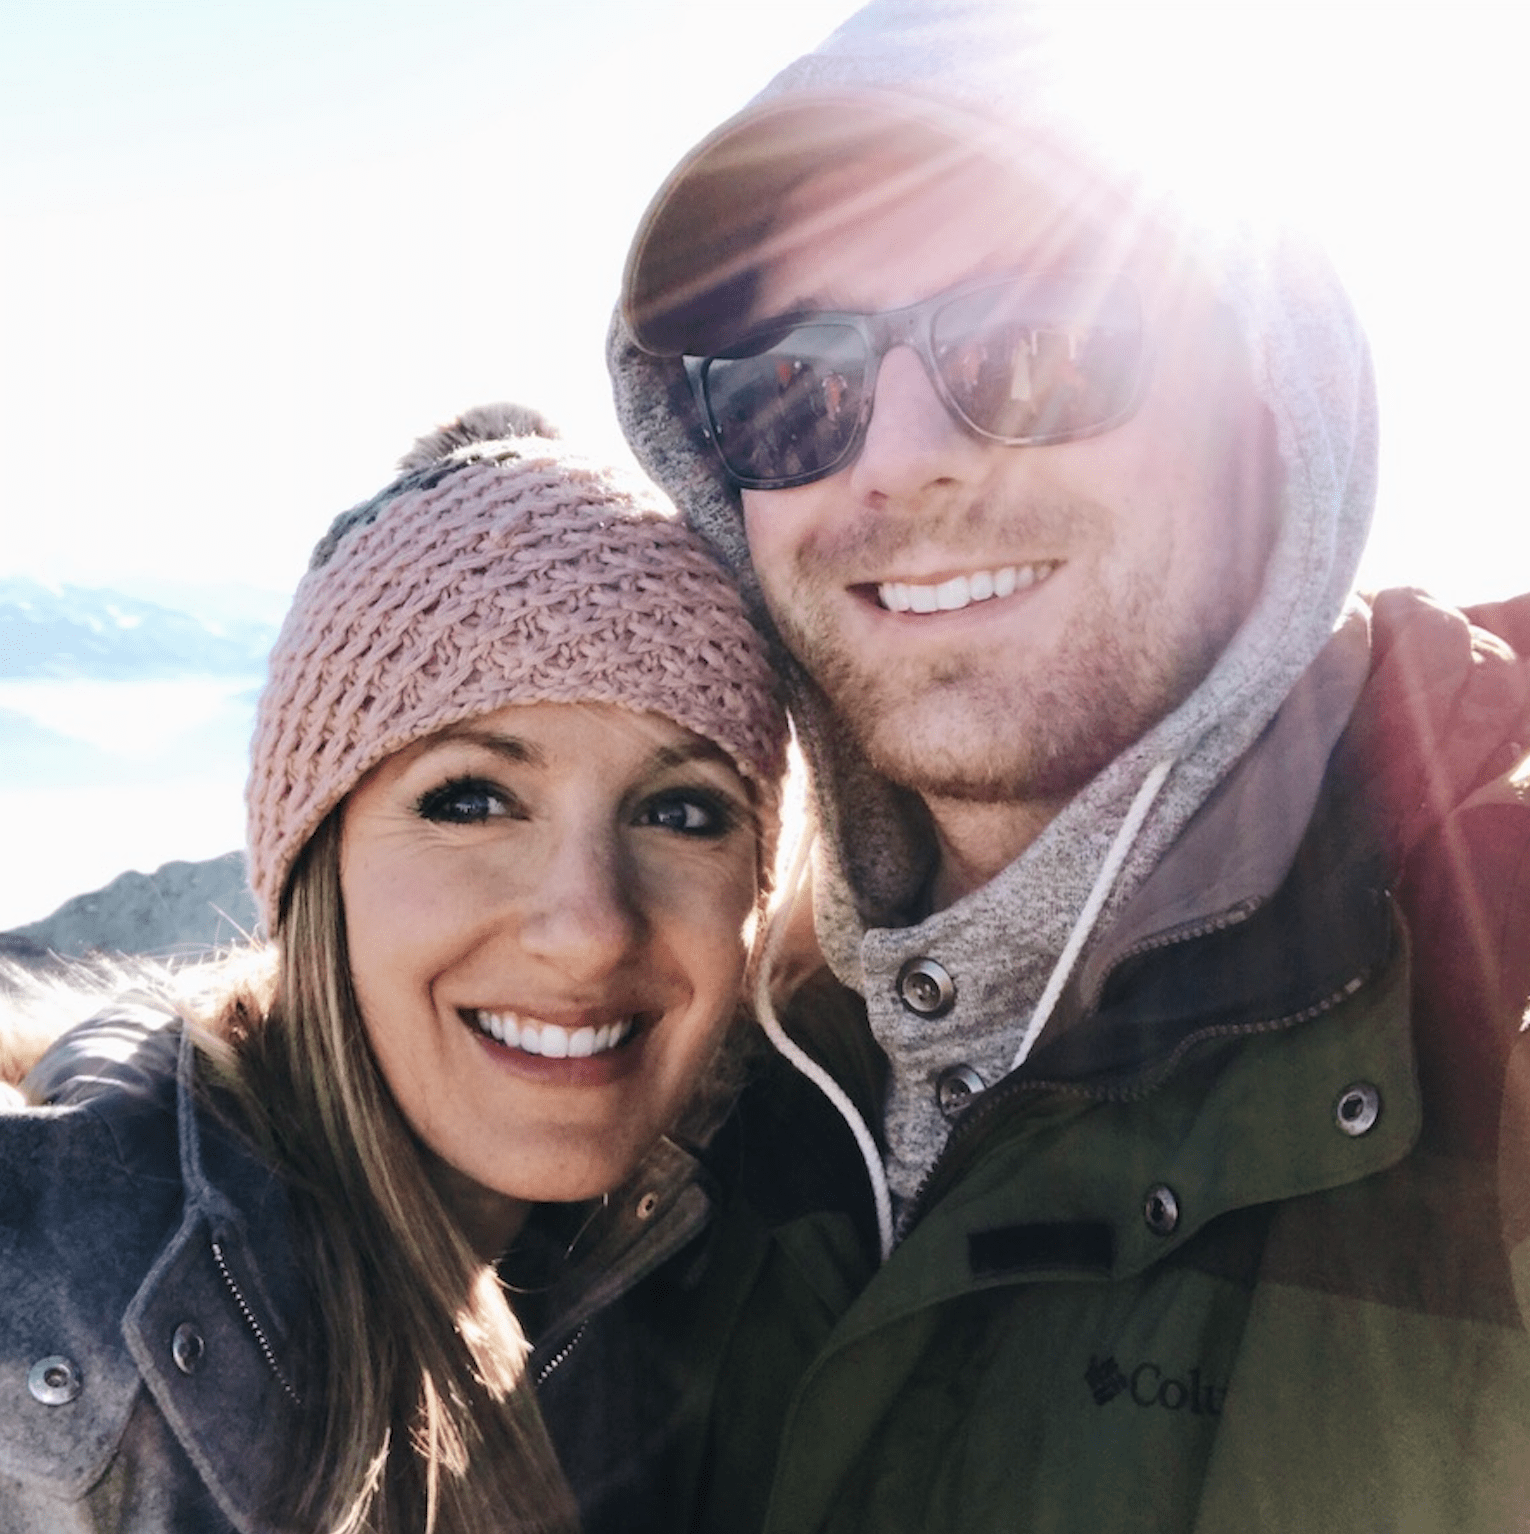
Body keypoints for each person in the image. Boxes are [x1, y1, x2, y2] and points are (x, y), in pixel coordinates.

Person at [608, 2, 1530, 1530]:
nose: (892, 457)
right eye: (792, 387)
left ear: (1269, 406)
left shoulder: (1486, 1026)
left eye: (1031, 346)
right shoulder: (713, 1063)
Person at [0, 405, 787, 1533]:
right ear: (320, 857)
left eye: (682, 810)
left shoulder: (694, 1255)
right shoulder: (64, 1319)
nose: (590, 928)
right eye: (472, 799)